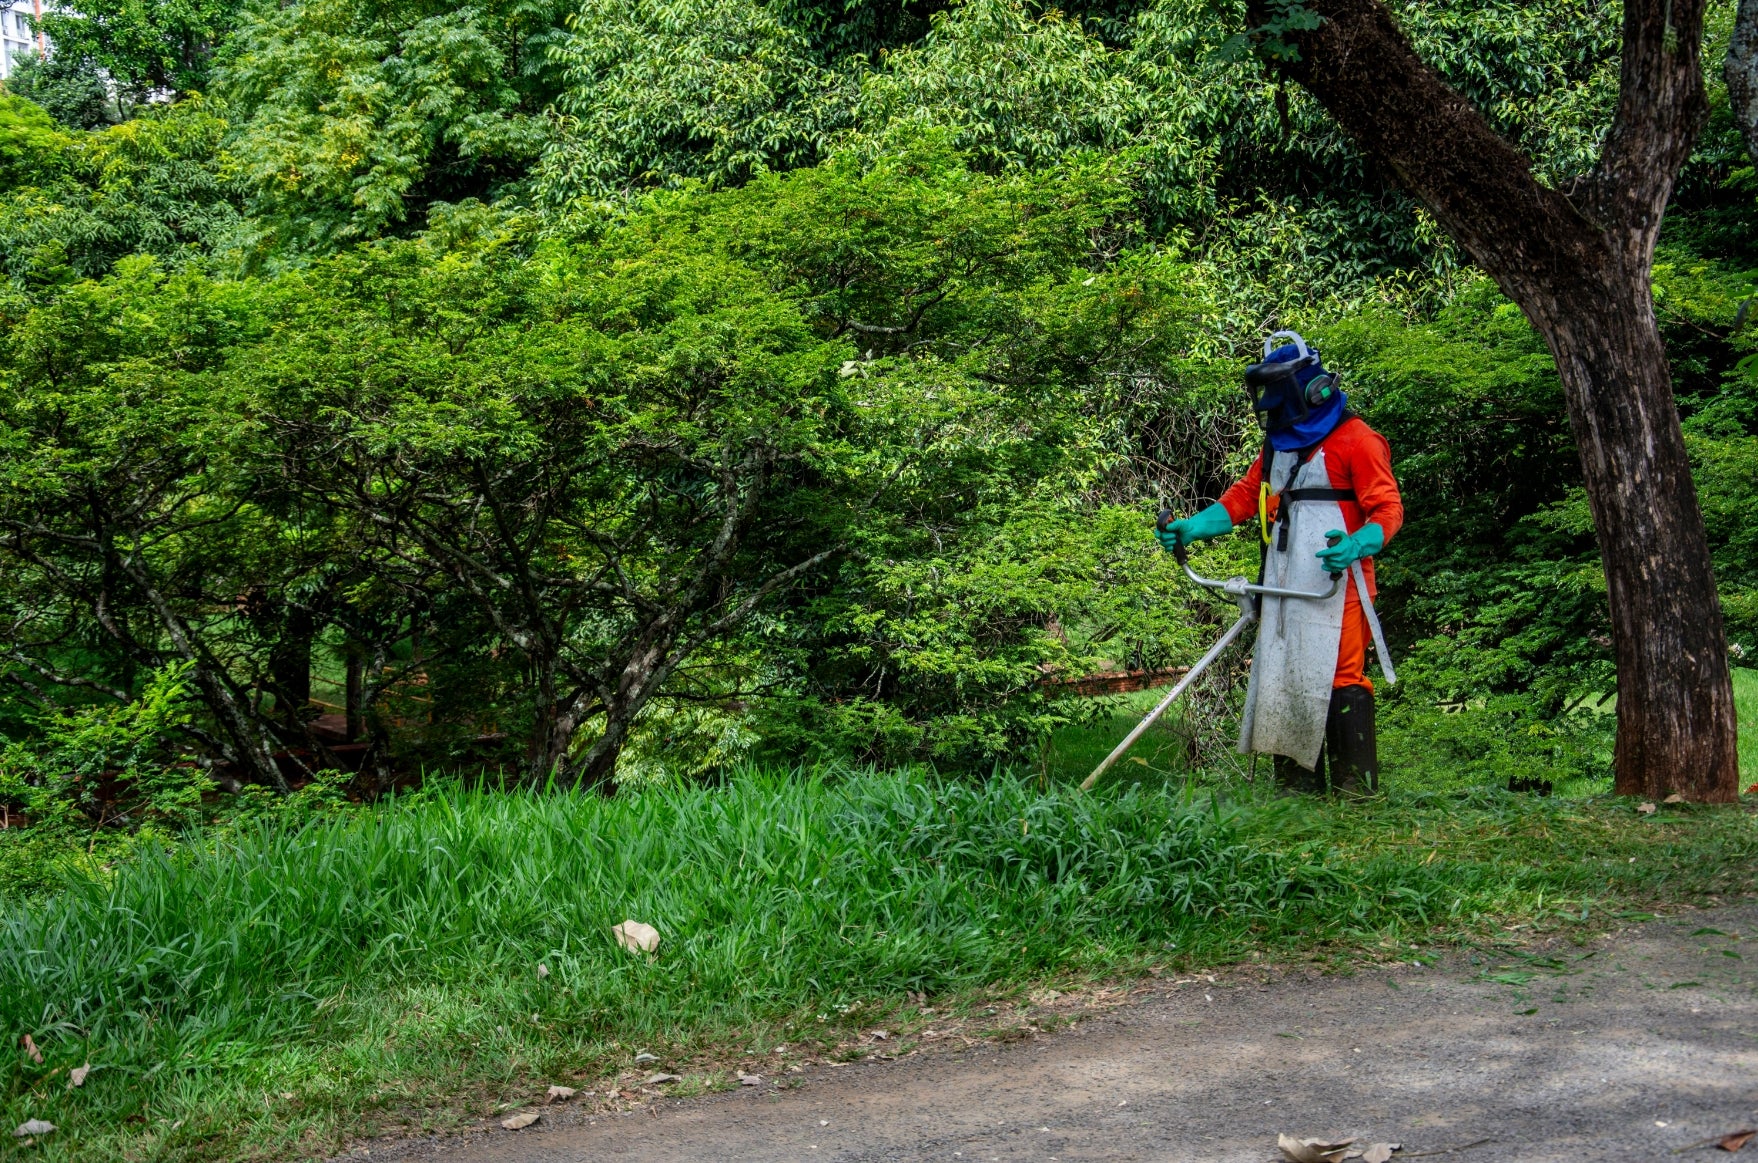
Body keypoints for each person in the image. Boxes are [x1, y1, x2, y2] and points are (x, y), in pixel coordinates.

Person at [1155, 332, 1403, 796]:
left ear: (1307, 389)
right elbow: (1244, 498)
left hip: (1339, 586)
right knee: (1284, 672)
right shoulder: (1278, 447)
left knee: (1340, 677)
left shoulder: (1358, 440)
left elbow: (1388, 511)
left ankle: (1356, 793)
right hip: (1283, 579)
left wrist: (1357, 543)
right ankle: (1296, 797)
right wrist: (1191, 526)